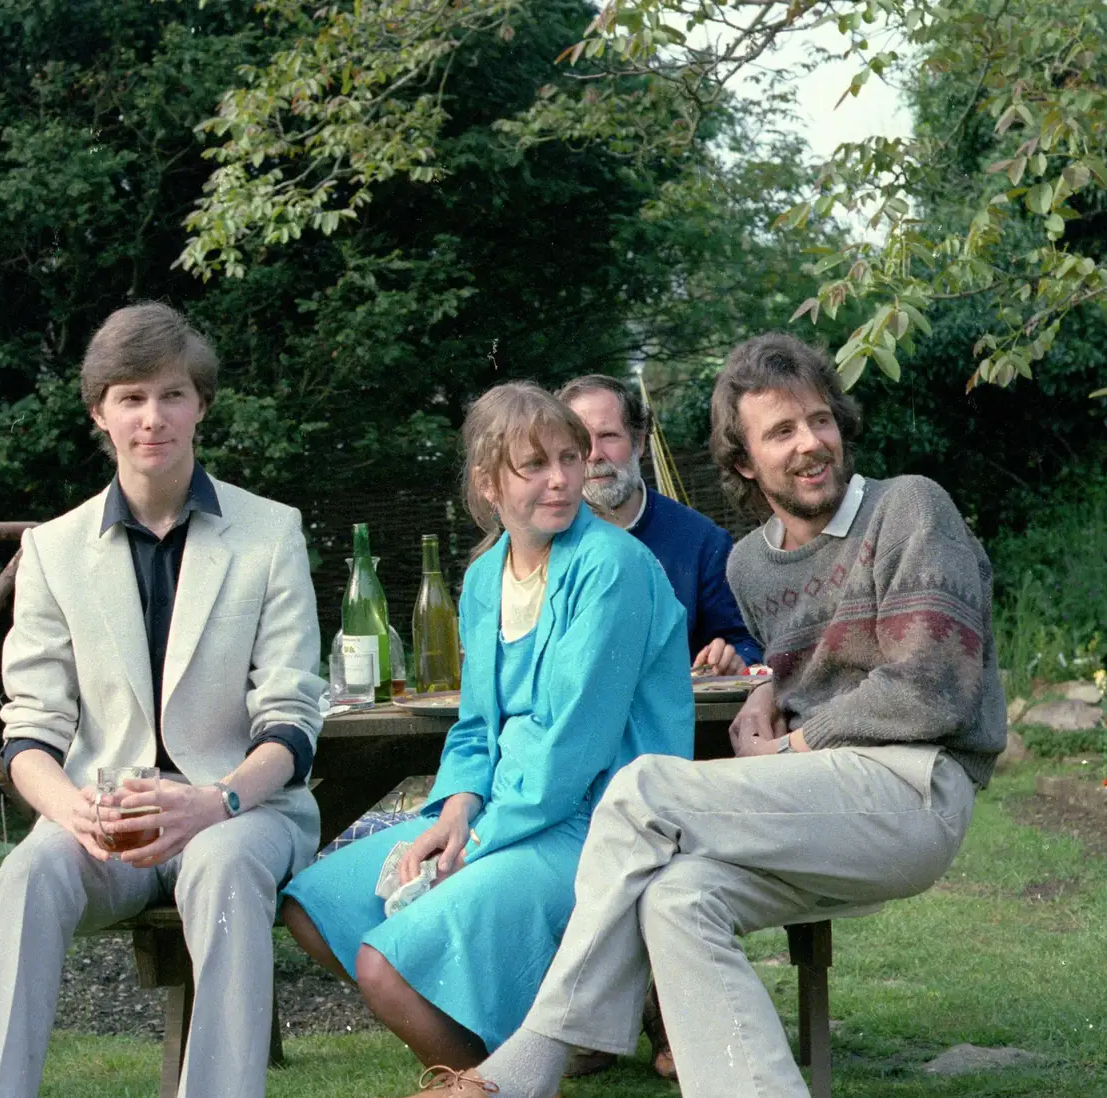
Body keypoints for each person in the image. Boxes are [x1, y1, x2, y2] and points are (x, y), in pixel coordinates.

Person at [400, 332, 1008, 1098]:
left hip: (916, 787)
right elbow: (797, 669)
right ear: (745, 462)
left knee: (644, 789)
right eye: (780, 432)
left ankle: (529, 1063)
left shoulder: (910, 506)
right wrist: (763, 685)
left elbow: (930, 686)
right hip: (821, 804)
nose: (809, 444)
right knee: (676, 896)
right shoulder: (750, 562)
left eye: (818, 421)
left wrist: (791, 745)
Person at [280, 382, 695, 1079]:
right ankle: (517, 1066)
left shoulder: (611, 567)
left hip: (601, 823)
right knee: (316, 907)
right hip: (505, 813)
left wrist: (471, 846)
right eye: (534, 465)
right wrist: (456, 810)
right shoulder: (481, 579)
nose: (562, 479)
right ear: (487, 482)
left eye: (570, 457)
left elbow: (575, 746)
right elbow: (475, 726)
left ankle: (501, 1081)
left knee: (383, 966)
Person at [0, 302, 325, 1098]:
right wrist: (71, 814)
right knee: (26, 879)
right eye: (131, 398)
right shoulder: (52, 549)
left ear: (200, 402)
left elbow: (294, 718)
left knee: (227, 867)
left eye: (171, 394)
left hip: (241, 813)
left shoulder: (271, 534)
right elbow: (30, 729)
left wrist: (217, 800)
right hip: (104, 821)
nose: (152, 417)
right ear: (101, 412)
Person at [558, 374, 760, 674]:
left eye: (609, 436)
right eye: (579, 442)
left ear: (639, 442)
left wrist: (733, 658)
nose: (594, 454)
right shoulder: (546, 539)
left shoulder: (701, 542)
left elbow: (745, 643)